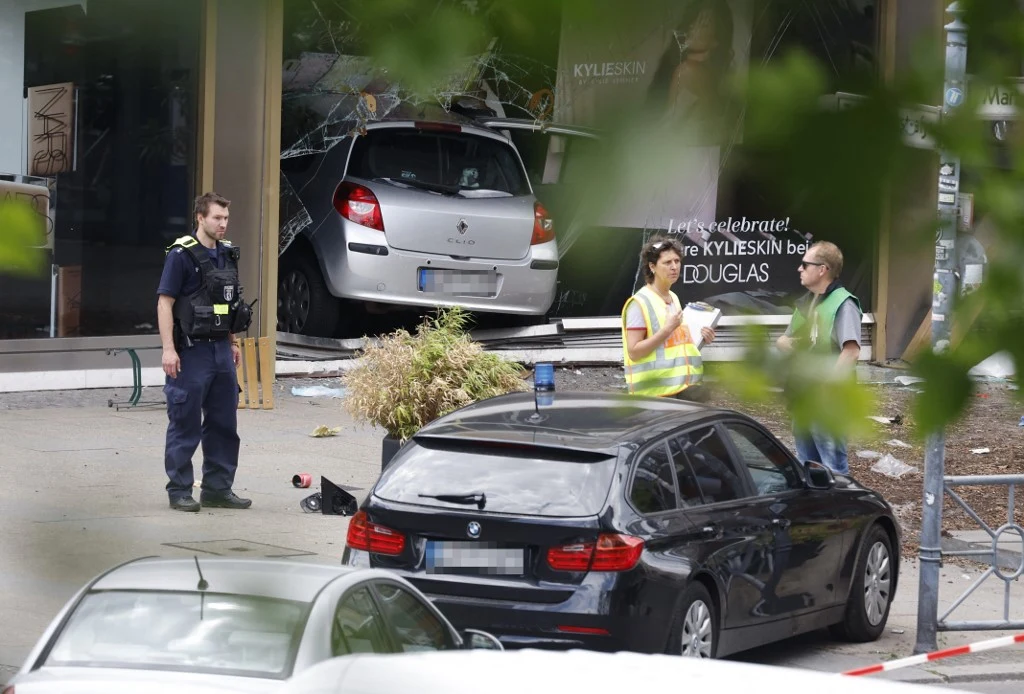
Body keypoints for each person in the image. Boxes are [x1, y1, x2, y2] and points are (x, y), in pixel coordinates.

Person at [157, 192, 255, 512]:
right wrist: (168, 350)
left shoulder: (227, 254)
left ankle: (217, 489)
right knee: (184, 423)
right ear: (200, 217)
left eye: (226, 218)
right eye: (217, 218)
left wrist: (232, 342)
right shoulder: (180, 255)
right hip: (191, 352)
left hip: (220, 351)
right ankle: (179, 491)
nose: (223, 224)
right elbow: (165, 303)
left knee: (224, 424)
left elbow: (227, 304)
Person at [776, 240, 862, 475]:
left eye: (805, 264)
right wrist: (783, 343)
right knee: (808, 466)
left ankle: (839, 500)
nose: (799, 269)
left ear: (822, 269)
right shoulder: (806, 302)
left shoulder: (843, 303)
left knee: (833, 470)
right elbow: (786, 339)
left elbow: (851, 352)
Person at [621, 235, 716, 400]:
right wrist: (667, 330)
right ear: (652, 267)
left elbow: (674, 345)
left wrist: (700, 337)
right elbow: (634, 352)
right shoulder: (639, 303)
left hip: (683, 388)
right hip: (656, 395)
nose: (674, 267)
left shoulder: (673, 298)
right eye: (667, 263)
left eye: (677, 261)